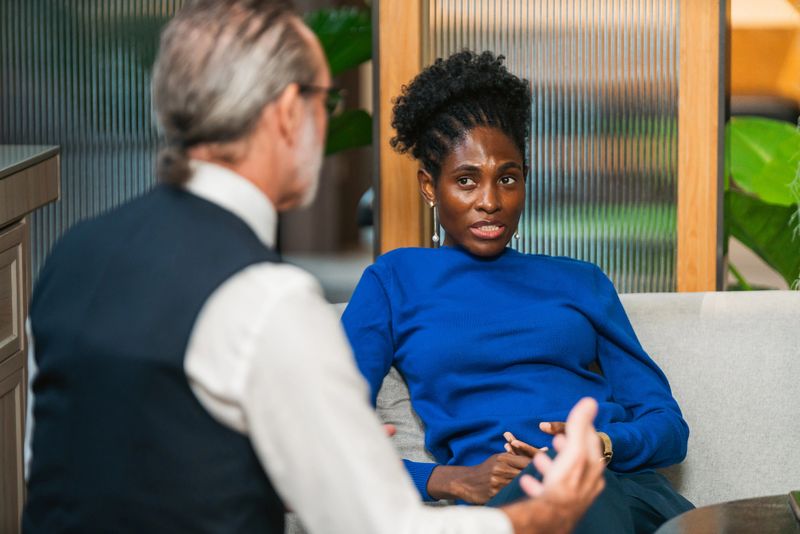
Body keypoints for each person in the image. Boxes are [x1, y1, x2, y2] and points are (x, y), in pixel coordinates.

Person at [22, 2, 606, 533]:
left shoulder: (71, 255)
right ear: (284, 114)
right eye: (324, 104)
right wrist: (539, 518)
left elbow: (53, 470)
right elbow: (378, 524)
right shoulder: (264, 296)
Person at [342, 50, 695, 533]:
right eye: (466, 180)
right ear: (430, 185)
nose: (490, 201)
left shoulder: (582, 281)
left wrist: (602, 445)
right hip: (518, 504)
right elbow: (328, 433)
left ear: (524, 180)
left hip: (621, 487)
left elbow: (668, 427)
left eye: (507, 178)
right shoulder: (393, 281)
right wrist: (447, 479)